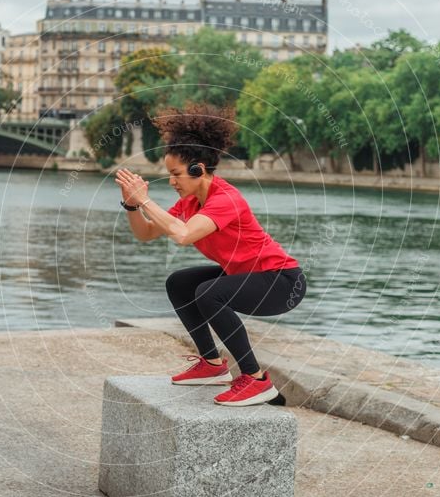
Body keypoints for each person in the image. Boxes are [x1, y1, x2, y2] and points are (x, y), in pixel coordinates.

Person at [114, 102, 307, 407]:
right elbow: (147, 233)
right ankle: (212, 365)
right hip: (246, 276)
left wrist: (146, 200)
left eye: (176, 174)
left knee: (208, 293)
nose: (172, 181)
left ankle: (255, 380)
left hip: (280, 282)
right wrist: (132, 205)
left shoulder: (226, 199)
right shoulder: (191, 202)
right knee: (179, 283)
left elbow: (183, 235)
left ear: (198, 169)